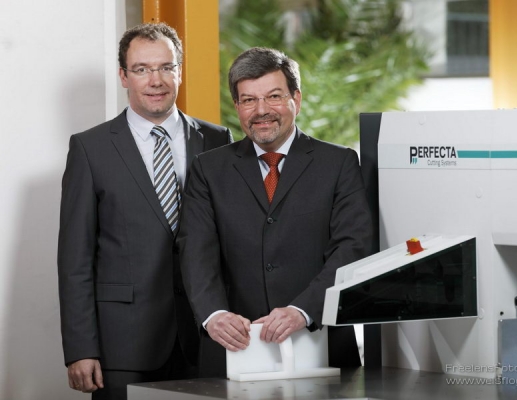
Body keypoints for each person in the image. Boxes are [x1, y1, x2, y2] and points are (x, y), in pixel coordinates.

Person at [57, 22, 232, 400]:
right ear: (124, 76)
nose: (156, 80)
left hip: (205, 338)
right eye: (142, 69)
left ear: (180, 72)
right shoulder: (90, 149)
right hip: (123, 344)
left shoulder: (218, 140)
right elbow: (75, 260)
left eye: (166, 67)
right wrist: (81, 348)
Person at [178, 47, 372, 377]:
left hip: (320, 341)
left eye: (274, 96)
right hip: (234, 346)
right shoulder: (208, 169)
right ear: (237, 106)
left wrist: (303, 310)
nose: (262, 110)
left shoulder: (338, 163)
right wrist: (214, 315)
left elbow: (353, 247)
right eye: (249, 100)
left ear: (296, 98)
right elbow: (195, 251)